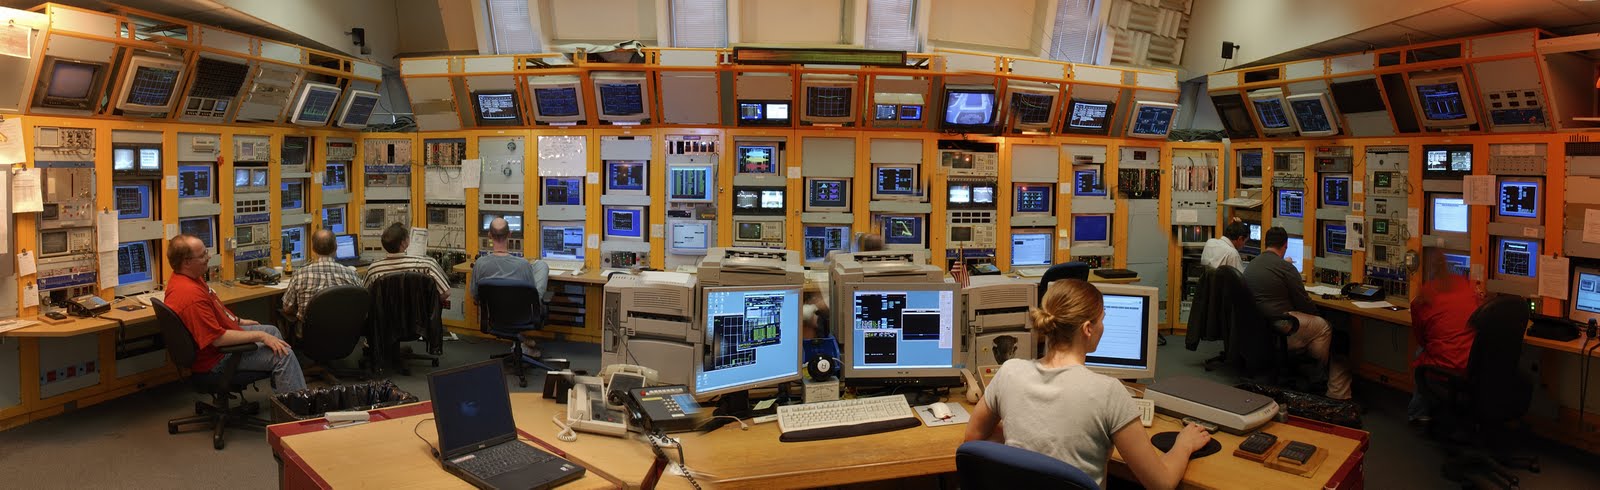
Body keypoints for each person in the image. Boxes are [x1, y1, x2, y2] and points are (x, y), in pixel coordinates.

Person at [966, 279, 1211, 489]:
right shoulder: (1108, 393)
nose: (1103, 327)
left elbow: (973, 439)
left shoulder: (1009, 372)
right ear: (1087, 329)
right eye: (1102, 320)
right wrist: (1184, 444)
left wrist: (1022, 438)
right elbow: (1161, 483)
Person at [164, 234, 305, 393]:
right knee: (284, 355)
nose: (208, 257)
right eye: (203, 255)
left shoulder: (189, 278)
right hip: (215, 359)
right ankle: (299, 410)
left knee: (272, 331)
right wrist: (260, 336)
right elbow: (217, 340)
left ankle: (283, 395)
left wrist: (238, 320)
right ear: (187, 262)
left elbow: (216, 309)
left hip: (216, 344)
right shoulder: (190, 296)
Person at [1242, 226, 1352, 400]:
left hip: (1260, 328)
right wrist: (1319, 315)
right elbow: (1304, 303)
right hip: (1280, 326)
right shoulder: (1286, 268)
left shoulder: (1252, 265)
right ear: (1285, 245)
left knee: (1313, 327)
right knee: (1324, 327)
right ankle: (1317, 376)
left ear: (1266, 243)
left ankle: (1305, 368)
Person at [1409, 249, 1480, 425]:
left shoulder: (1425, 296)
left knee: (1421, 352)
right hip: (1473, 364)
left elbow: (1422, 338)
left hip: (1446, 366)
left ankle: (1419, 413)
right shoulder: (1467, 287)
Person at [280, 230, 361, 325]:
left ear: (313, 249)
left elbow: (287, 307)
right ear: (336, 247)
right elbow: (362, 303)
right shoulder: (351, 274)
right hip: (346, 333)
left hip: (310, 334)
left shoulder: (300, 275)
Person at [471, 217, 549, 303]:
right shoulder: (523, 264)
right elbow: (532, 294)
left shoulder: (479, 264)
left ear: (489, 235)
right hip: (522, 314)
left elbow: (475, 297)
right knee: (542, 265)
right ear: (509, 234)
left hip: (492, 314)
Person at [363, 222, 451, 297]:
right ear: (404, 243)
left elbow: (364, 296)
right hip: (419, 317)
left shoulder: (373, 269)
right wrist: (428, 307)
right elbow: (446, 292)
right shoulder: (427, 265)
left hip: (384, 317)